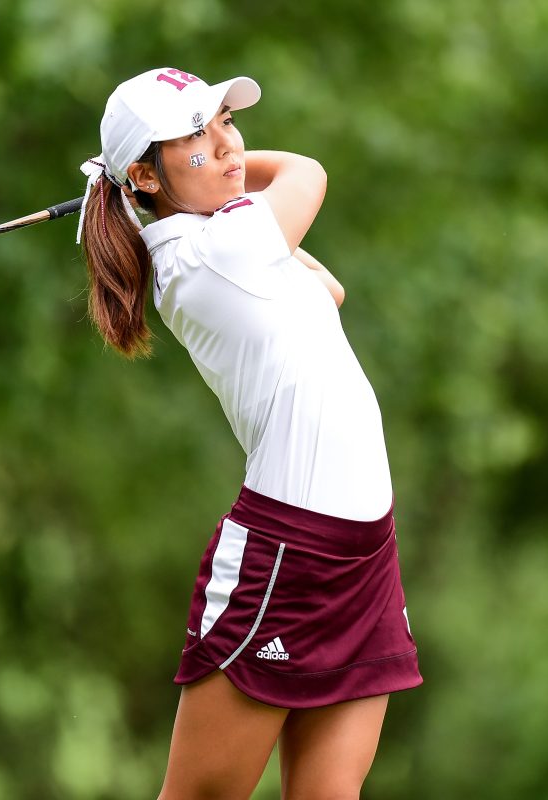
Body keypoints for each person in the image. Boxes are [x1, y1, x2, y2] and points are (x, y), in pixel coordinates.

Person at [75, 67, 422, 799]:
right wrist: (207, 181)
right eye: (198, 133)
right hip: (286, 557)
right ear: (144, 169)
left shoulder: (228, 238)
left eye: (227, 123)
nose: (228, 144)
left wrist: (169, 184)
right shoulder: (214, 252)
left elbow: (328, 290)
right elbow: (307, 172)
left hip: (364, 551)